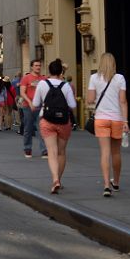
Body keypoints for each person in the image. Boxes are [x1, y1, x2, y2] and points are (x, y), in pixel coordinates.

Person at [32, 59, 77, 194]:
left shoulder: (42, 84)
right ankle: (59, 180)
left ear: (49, 71)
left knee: (51, 151)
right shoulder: (66, 86)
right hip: (63, 121)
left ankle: (55, 179)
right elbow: (73, 105)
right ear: (61, 72)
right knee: (61, 152)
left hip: (47, 121)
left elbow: (35, 104)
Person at [87, 52, 128, 197]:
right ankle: (115, 182)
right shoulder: (120, 78)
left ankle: (106, 185)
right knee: (116, 153)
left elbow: (90, 100)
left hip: (101, 119)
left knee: (105, 153)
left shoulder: (94, 78)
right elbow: (123, 101)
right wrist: (125, 121)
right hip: (117, 118)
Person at [20, 58, 47, 158]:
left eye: (39, 66)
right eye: (36, 65)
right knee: (28, 128)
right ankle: (27, 148)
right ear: (32, 67)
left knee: (42, 128)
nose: (38, 67)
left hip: (40, 107)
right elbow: (22, 92)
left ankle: (44, 150)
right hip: (28, 107)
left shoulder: (44, 79)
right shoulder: (26, 78)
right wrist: (30, 102)